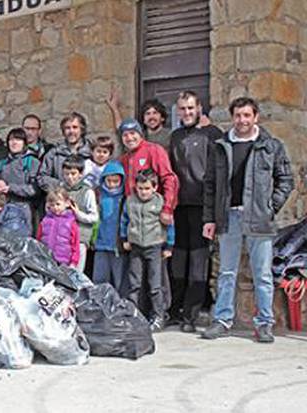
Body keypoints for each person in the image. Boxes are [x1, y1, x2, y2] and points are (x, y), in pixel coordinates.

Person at [201, 97, 294, 343]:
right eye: (238, 115)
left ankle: (264, 323)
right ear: (233, 118)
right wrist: (209, 218)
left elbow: (286, 179)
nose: (242, 120)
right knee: (226, 272)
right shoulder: (221, 146)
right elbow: (210, 185)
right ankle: (222, 320)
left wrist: (269, 207)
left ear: (256, 117)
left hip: (259, 219)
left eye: (246, 115)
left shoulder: (270, 146)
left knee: (262, 274)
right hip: (228, 216)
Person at [168, 91, 223, 331]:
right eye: (182, 109)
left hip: (202, 207)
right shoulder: (175, 136)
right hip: (179, 208)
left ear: (199, 108)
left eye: (191, 108)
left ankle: (191, 316)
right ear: (177, 111)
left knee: (199, 263)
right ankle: (175, 311)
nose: (187, 112)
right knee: (178, 262)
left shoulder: (212, 135)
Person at [120, 170, 175, 332]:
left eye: (146, 188)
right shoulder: (130, 201)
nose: (143, 192)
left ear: (155, 188)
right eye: (140, 188)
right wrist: (124, 239)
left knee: (155, 284)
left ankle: (158, 316)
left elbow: (170, 225)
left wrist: (169, 246)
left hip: (155, 246)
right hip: (136, 246)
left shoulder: (160, 202)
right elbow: (125, 220)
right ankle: (134, 315)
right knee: (134, 283)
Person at [118, 118, 179, 224]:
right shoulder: (124, 159)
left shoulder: (154, 150)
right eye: (125, 135)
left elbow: (169, 179)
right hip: (134, 213)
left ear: (140, 134)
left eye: (133, 133)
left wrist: (167, 208)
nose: (129, 138)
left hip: (154, 213)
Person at [0, 128, 40, 231]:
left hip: (25, 209)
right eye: (11, 140)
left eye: (18, 140)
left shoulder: (32, 162)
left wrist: (10, 188)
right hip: (4, 207)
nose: (14, 143)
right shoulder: (3, 163)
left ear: (24, 143)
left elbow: (34, 189)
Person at [92, 161, 127, 295]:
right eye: (109, 181)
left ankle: (121, 307)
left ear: (121, 180)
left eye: (115, 181)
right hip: (100, 244)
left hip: (117, 246)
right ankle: (98, 307)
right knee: (99, 279)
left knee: (120, 281)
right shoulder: (99, 196)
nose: (112, 185)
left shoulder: (124, 198)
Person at [61, 155, 99, 273]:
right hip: (63, 237)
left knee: (76, 272)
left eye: (73, 173)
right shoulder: (61, 189)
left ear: (81, 174)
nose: (70, 177)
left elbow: (94, 217)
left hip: (80, 238)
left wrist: (78, 214)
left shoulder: (87, 192)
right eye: (66, 174)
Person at [38, 112, 93, 193]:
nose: (71, 131)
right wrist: (60, 185)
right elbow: (42, 177)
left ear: (82, 130)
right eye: (67, 128)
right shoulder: (54, 153)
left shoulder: (92, 151)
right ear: (63, 131)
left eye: (75, 127)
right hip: (61, 199)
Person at [106, 89, 171, 148]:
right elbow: (121, 129)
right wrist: (114, 108)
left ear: (162, 118)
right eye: (147, 113)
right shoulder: (139, 136)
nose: (151, 117)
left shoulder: (170, 135)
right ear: (144, 120)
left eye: (155, 113)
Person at [38, 187, 79, 268]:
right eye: (52, 205)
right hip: (46, 260)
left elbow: (75, 244)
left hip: (63, 262)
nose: (55, 207)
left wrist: (73, 262)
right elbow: (38, 239)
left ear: (67, 203)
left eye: (58, 204)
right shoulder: (45, 221)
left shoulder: (71, 222)